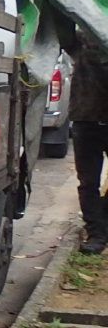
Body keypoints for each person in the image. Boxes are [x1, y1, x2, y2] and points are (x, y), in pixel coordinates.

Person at [69, 27, 108, 253]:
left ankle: (101, 222)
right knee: (88, 182)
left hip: (90, 117)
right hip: (86, 118)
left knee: (88, 183)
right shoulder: (79, 37)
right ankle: (96, 233)